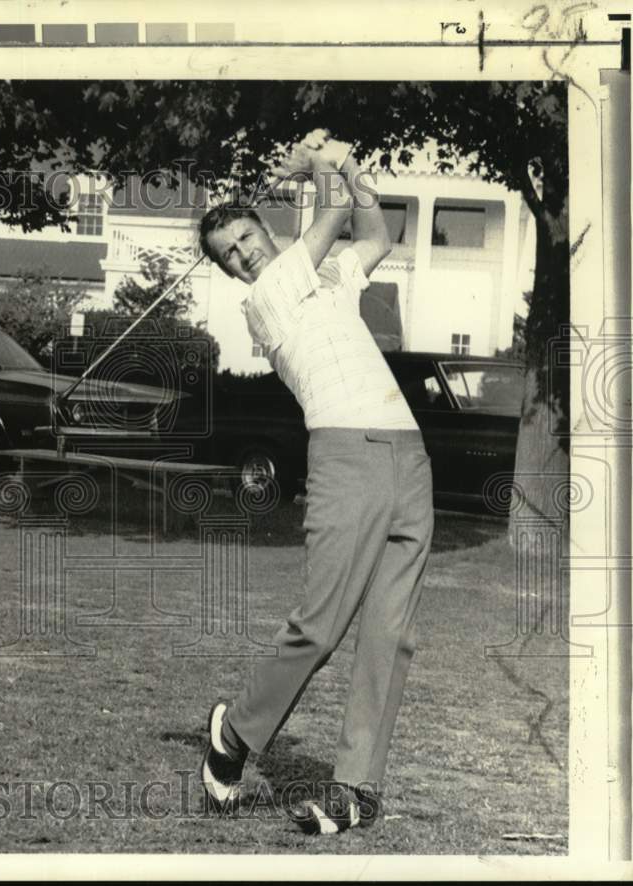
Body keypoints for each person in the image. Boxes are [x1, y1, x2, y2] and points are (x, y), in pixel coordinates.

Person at [197, 132, 434, 834]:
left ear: (264, 228)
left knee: (390, 634)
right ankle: (234, 738)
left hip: (407, 458)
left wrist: (349, 166)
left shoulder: (327, 280)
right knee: (321, 625)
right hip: (344, 458)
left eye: (246, 238)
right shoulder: (268, 296)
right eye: (229, 256)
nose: (244, 256)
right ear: (233, 272)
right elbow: (329, 220)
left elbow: (375, 231)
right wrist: (316, 166)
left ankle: (357, 790)